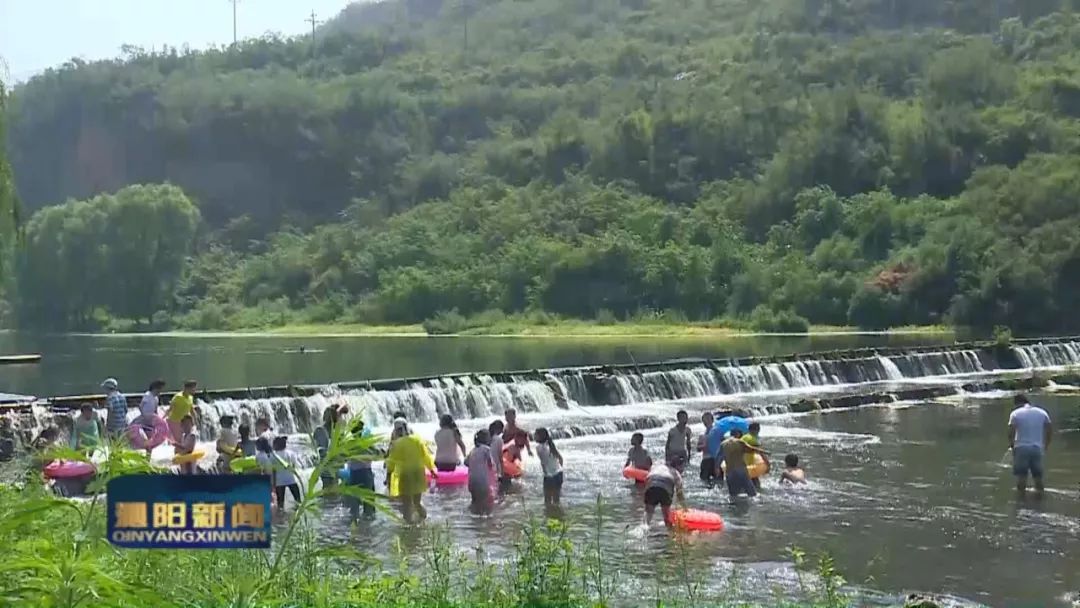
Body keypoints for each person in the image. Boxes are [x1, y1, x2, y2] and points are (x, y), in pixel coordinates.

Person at [385, 418, 436, 524]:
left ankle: (409, 530)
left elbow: (391, 463)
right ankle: (425, 522)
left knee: (407, 505)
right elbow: (425, 456)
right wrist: (432, 470)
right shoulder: (417, 440)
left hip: (405, 476)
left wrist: (388, 478)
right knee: (417, 502)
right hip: (419, 474)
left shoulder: (396, 444)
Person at [1008, 394, 1052, 495]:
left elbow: (1011, 432)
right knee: (1038, 477)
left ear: (1017, 403)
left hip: (1021, 448)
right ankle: (1040, 501)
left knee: (1021, 477)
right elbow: (1049, 430)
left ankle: (1020, 502)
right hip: (1037, 448)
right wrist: (1046, 445)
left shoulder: (1015, 414)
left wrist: (1012, 446)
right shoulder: (1042, 412)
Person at [719, 428, 768, 499]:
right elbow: (751, 449)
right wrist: (764, 451)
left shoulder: (723, 444)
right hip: (741, 470)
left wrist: (716, 467)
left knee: (733, 495)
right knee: (752, 493)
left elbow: (719, 457)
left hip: (730, 471)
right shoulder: (739, 442)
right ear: (738, 434)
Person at [344, 419, 376, 521]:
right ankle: (368, 528)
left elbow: (343, 457)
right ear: (361, 430)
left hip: (354, 474)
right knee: (369, 504)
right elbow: (378, 454)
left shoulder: (348, 444)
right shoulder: (367, 443)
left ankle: (355, 528)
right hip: (366, 474)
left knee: (354, 504)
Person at [466, 429, 497, 515]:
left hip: (471, 481)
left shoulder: (472, 450)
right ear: (487, 440)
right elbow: (491, 464)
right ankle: (485, 518)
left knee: (475, 501)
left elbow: (466, 462)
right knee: (486, 503)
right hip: (482, 482)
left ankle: (473, 516)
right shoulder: (486, 449)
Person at [644, 462, 684, 529]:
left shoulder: (656, 467)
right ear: (678, 467)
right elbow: (680, 494)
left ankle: (643, 529)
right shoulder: (676, 473)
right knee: (666, 516)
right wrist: (684, 509)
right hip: (665, 488)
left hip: (651, 485)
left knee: (648, 514)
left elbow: (647, 479)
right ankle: (670, 533)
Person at [534, 428, 563, 507]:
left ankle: (549, 516)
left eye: (535, 434)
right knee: (556, 500)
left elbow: (543, 463)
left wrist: (546, 473)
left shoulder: (538, 448)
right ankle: (558, 515)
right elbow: (561, 458)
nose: (534, 436)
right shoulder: (550, 444)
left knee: (547, 501)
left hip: (550, 476)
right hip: (559, 473)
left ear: (540, 436)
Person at [313, 405, 341, 488]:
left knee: (332, 490)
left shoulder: (335, 431)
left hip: (334, 466)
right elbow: (320, 451)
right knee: (329, 489)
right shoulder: (320, 431)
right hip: (327, 467)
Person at [271, 435, 302, 509]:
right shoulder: (291, 453)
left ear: (276, 445)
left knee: (280, 504)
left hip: (280, 482)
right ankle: (298, 516)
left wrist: (273, 484)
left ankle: (281, 518)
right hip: (291, 480)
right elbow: (294, 465)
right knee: (298, 502)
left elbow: (273, 471)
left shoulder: (273, 456)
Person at [488, 420, 509, 491]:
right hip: (495, 467)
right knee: (498, 490)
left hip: (486, 466)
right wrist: (502, 472)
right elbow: (500, 457)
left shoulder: (487, 438)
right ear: (499, 429)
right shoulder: (499, 439)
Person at [743, 422, 763, 489]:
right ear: (756, 430)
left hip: (741, 464)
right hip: (750, 465)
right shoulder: (753, 440)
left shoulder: (744, 437)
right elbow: (759, 452)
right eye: (758, 429)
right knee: (757, 486)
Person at [698, 412, 715, 485]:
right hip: (706, 459)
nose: (706, 421)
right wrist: (703, 445)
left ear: (712, 420)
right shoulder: (702, 435)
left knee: (718, 481)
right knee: (704, 481)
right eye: (704, 420)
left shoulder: (717, 432)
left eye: (708, 419)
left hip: (716, 460)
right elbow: (698, 449)